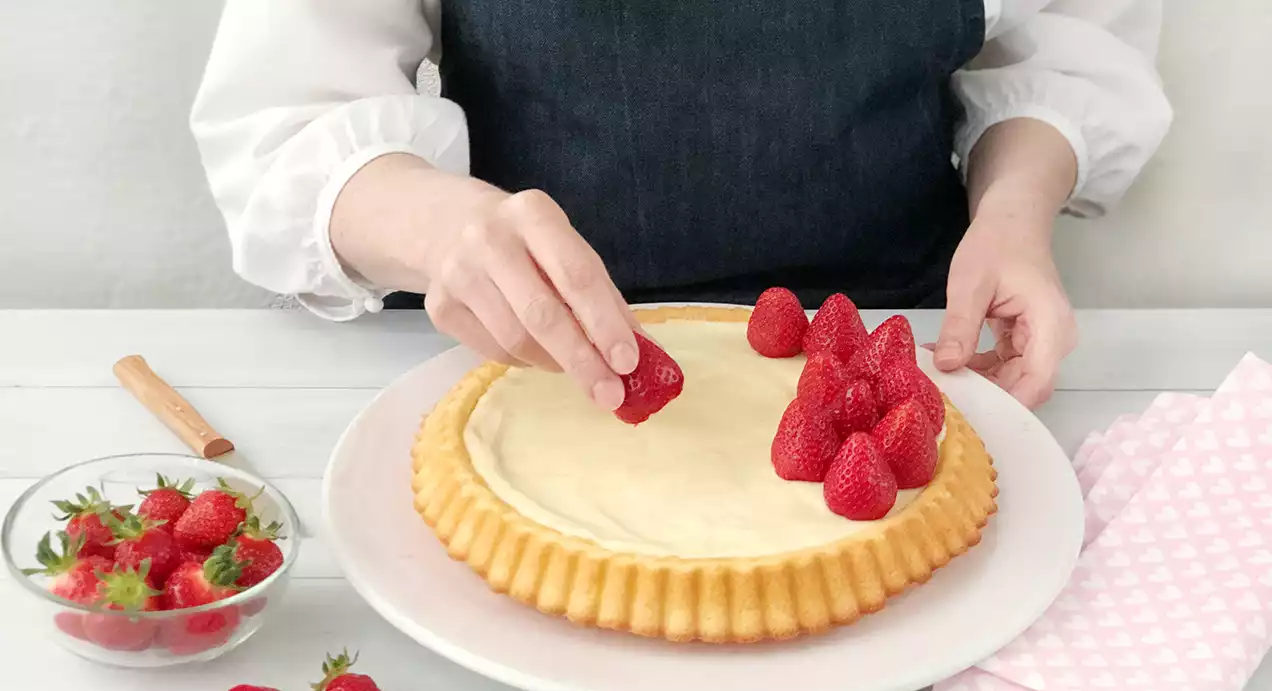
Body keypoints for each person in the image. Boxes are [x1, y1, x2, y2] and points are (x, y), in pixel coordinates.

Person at [191, 0, 1171, 411]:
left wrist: (1013, 214)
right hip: (518, 357)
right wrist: (440, 231)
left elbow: (1066, 42)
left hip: (898, 343)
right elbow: (285, 123)